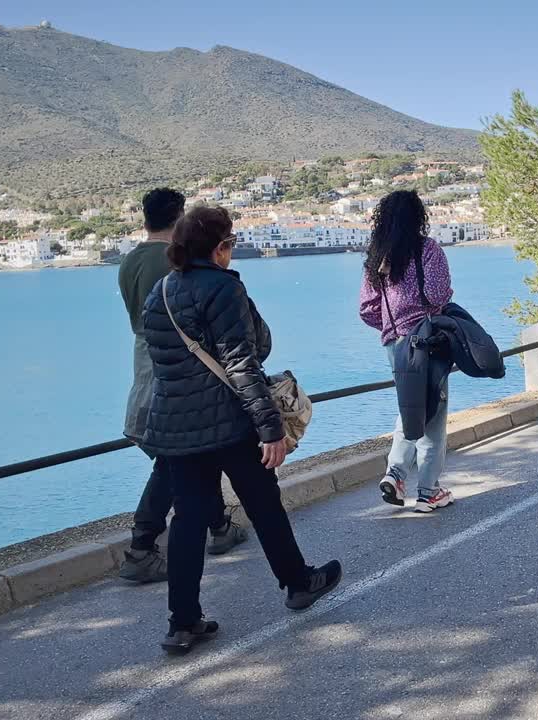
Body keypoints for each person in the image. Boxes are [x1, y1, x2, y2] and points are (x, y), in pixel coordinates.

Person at [142, 205, 341, 653]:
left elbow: (165, 362)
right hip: (230, 422)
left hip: (176, 427)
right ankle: (297, 582)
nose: (231, 251)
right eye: (229, 243)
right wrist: (270, 428)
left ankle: (183, 622)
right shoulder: (223, 288)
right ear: (218, 247)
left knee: (188, 519)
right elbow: (242, 361)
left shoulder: (161, 292)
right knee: (263, 502)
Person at [117, 188, 247, 584]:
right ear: (179, 218)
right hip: (175, 365)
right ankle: (141, 546)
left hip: (144, 360)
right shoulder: (171, 261)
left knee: (189, 454)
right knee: (174, 457)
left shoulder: (128, 262)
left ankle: (220, 527)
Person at [358, 191, 458, 513]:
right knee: (433, 414)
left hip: (394, 344)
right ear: (418, 217)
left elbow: (367, 309)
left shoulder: (377, 257)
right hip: (427, 340)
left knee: (411, 403)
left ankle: (396, 475)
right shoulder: (427, 249)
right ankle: (428, 490)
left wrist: (391, 326)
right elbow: (437, 294)